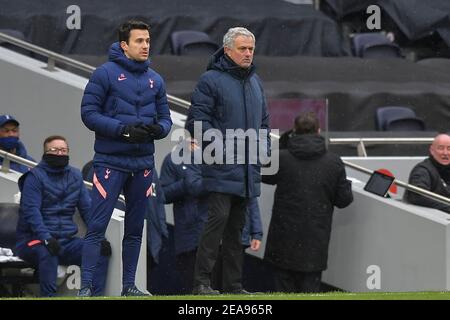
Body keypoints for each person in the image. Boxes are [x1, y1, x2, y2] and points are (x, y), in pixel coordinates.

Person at [79, 19, 172, 297]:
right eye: (139, 41)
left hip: (143, 165)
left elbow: (166, 119)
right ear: (124, 45)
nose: (145, 46)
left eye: (147, 41)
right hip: (110, 162)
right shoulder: (104, 74)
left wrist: (159, 129)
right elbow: (88, 114)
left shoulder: (156, 79)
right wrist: (122, 131)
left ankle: (129, 286)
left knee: (134, 230)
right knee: (96, 227)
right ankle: (86, 288)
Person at [186, 27, 270, 295]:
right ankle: (202, 283)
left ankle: (233, 285)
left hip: (248, 169)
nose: (248, 54)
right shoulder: (210, 80)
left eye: (251, 49)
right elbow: (197, 121)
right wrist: (221, 150)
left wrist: (263, 148)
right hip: (222, 166)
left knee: (237, 231)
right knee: (216, 224)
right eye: (243, 49)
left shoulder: (256, 82)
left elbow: (265, 123)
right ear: (227, 50)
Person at [262, 112, 353, 293]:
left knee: (283, 292)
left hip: (283, 239)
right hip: (314, 242)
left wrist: (284, 141)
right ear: (319, 131)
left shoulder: (282, 158)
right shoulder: (333, 163)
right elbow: (344, 200)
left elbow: (264, 174)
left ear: (294, 131)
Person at [160, 139, 263, 294]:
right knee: (199, 290)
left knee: (227, 290)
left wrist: (256, 230)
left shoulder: (229, 154)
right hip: (191, 236)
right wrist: (186, 184)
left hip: (226, 233)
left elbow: (247, 194)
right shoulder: (174, 158)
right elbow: (163, 195)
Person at [15, 135, 110, 297]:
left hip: (67, 241)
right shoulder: (34, 177)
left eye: (63, 150)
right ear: (45, 152)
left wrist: (99, 237)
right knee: (48, 251)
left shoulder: (75, 175)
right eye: (55, 150)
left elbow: (87, 209)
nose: (60, 153)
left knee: (99, 250)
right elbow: (32, 212)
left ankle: (95, 295)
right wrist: (47, 238)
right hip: (34, 240)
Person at [404, 134, 450, 213]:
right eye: (441, 148)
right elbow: (417, 196)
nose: (445, 153)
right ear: (432, 150)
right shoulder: (422, 170)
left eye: (449, 149)